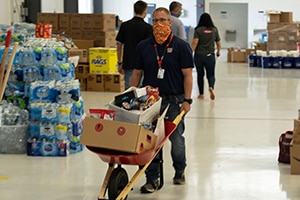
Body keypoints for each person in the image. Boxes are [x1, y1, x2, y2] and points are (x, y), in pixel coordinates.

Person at [130, 7, 194, 193]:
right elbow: (136, 74)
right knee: (149, 141)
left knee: (176, 139)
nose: (159, 24)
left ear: (170, 22)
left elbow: (188, 75)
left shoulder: (181, 46)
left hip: (175, 101)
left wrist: (187, 100)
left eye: (163, 20)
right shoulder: (143, 46)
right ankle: (152, 178)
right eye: (156, 21)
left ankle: (180, 170)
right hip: (150, 102)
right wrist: (130, 97)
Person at [116, 0, 153, 90]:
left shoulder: (125, 25)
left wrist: (119, 62)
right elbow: (150, 48)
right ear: (145, 11)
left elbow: (119, 46)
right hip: (143, 64)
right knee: (142, 90)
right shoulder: (148, 28)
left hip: (128, 63)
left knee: (129, 90)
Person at [191, 12, 221, 100]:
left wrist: (190, 53)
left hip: (199, 56)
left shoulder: (198, 30)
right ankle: (211, 87)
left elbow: (195, 43)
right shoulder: (214, 30)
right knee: (211, 74)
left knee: (200, 74)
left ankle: (201, 94)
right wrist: (218, 51)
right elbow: (218, 42)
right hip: (210, 55)